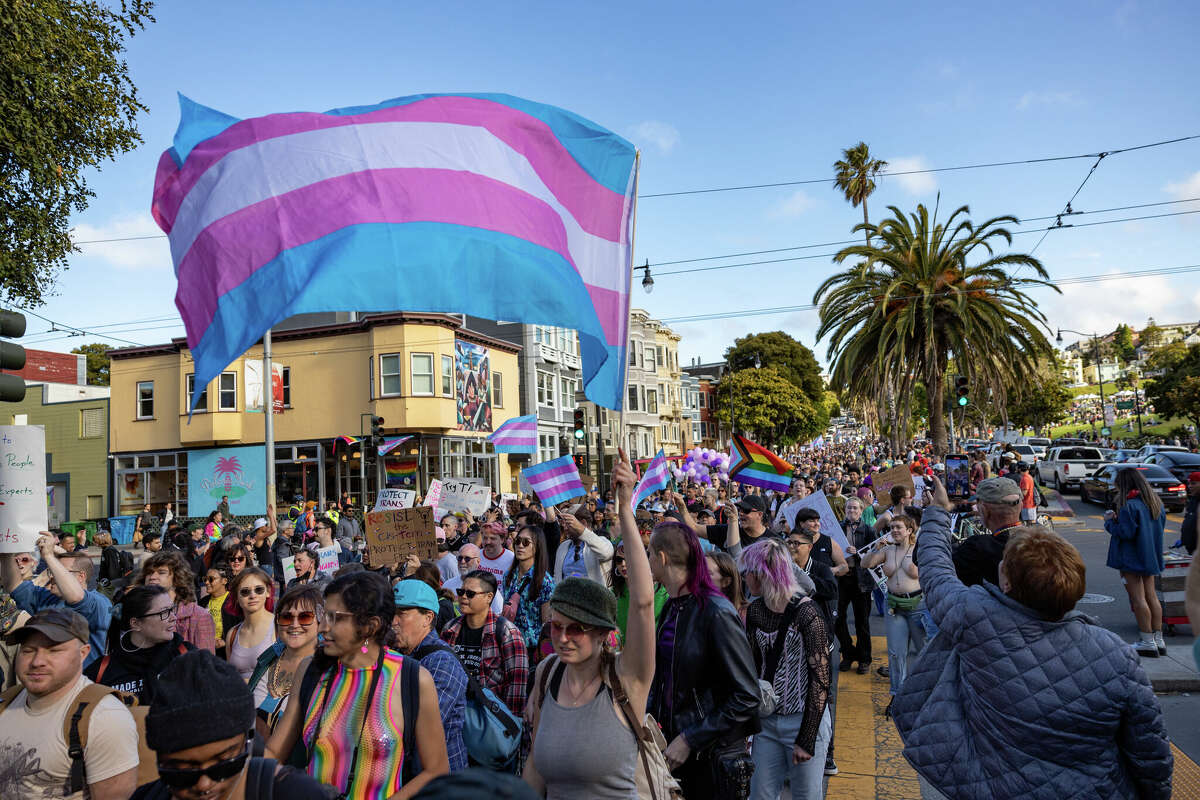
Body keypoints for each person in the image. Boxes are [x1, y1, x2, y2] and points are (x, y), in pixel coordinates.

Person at [895, 476, 1172, 800]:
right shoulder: (1116, 654)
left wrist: (937, 513)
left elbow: (936, 571)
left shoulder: (977, 621)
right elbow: (1151, 755)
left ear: (1008, 585)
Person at [524, 449, 657, 798]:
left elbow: (643, 603)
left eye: (576, 629)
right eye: (557, 627)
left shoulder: (627, 677)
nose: (563, 638)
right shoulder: (548, 673)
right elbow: (535, 771)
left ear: (602, 632)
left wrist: (625, 510)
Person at [266, 571, 450, 798]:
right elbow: (274, 751)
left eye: (335, 618)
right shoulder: (311, 670)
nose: (323, 627)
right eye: (324, 615)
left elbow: (436, 770)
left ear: (370, 627)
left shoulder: (412, 679)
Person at [648, 519, 760, 800]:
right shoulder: (673, 607)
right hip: (675, 756)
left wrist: (689, 738)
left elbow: (747, 695)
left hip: (711, 760)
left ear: (661, 558)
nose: (645, 560)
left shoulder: (716, 611)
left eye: (648, 553)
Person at [131, 649, 328, 800]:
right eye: (182, 771)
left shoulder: (298, 794)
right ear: (159, 760)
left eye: (224, 765)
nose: (204, 784)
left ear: (248, 743)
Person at [0, 608, 140, 799]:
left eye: (54, 650)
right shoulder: (6, 702)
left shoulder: (104, 718)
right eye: (28, 650)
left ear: (83, 654)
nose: (37, 661)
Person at [741, 539, 831, 800]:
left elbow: (821, 679)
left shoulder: (808, 613)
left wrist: (807, 737)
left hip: (803, 718)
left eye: (748, 571)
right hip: (768, 723)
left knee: (806, 795)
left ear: (764, 573)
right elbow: (754, 667)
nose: (745, 578)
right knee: (759, 794)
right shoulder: (756, 611)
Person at [391, 579, 468, 773]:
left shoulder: (442, 662)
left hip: (441, 783)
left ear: (427, 618)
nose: (393, 621)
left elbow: (416, 728)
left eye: (402, 613)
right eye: (391, 612)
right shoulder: (395, 651)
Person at [3, 533, 112, 667]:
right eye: (52, 571)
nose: (53, 577)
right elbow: (13, 585)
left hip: (85, 683)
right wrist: (7, 549)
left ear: (81, 576)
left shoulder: (98, 602)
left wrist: (49, 556)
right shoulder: (47, 597)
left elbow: (77, 597)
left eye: (60, 571)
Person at [864, 514, 931, 716]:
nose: (893, 531)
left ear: (909, 530)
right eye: (891, 527)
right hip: (894, 606)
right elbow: (865, 564)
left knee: (924, 654)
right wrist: (875, 549)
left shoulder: (920, 549)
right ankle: (898, 696)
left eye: (898, 527)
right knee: (895, 654)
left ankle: (924, 696)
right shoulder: (887, 550)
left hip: (919, 606)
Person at [84, 584, 193, 704]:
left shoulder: (187, 655)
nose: (173, 617)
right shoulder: (102, 670)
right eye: (164, 612)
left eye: (172, 609)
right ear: (135, 623)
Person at [440, 570, 528, 717]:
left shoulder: (508, 633)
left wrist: (508, 731)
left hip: (490, 722)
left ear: (489, 597)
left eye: (470, 594)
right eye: (461, 592)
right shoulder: (449, 629)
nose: (463, 597)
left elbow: (516, 689)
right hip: (455, 717)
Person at [1105, 466, 1168, 658]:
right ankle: (1158, 640)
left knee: (1138, 599)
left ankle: (1146, 641)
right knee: (1152, 597)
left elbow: (1125, 532)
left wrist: (1109, 521)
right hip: (1150, 555)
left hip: (1131, 557)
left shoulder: (1128, 505)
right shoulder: (1155, 503)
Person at [247, 583, 322, 736]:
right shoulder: (267, 659)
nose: (295, 625)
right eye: (286, 617)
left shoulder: (327, 670)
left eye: (305, 617)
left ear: (320, 623)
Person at [950, 476, 1024, 587]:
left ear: (984, 511)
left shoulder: (975, 548)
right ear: (1021, 506)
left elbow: (934, 570)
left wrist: (937, 510)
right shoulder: (1044, 542)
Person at [136, 551, 216, 653]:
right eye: (149, 572)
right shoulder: (137, 612)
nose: (152, 577)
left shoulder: (199, 617)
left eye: (161, 572)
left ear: (177, 578)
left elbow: (206, 664)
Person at [500, 524, 556, 653]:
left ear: (537, 547)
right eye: (518, 541)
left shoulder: (545, 582)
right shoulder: (508, 576)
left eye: (526, 542)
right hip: (507, 644)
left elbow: (546, 624)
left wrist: (544, 654)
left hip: (531, 650)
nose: (520, 545)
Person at [837, 497, 875, 675]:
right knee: (838, 619)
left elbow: (875, 553)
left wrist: (858, 552)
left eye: (855, 508)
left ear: (861, 511)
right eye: (849, 507)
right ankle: (848, 653)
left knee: (862, 622)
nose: (851, 510)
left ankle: (864, 659)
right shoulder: (837, 527)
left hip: (861, 579)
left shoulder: (867, 530)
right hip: (842, 578)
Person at [225, 568, 277, 681]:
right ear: (237, 597)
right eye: (245, 591)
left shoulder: (279, 627)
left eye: (259, 590)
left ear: (268, 592)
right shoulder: (232, 634)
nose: (253, 595)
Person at [615, 543, 670, 644]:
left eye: (628, 558)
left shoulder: (662, 592)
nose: (623, 564)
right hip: (624, 654)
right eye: (619, 560)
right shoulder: (614, 593)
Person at [552, 509, 615, 587]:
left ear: (583, 523)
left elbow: (606, 553)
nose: (565, 528)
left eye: (568, 524)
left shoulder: (601, 541)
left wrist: (582, 530)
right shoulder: (563, 546)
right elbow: (556, 578)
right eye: (563, 524)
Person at [444, 544, 503, 615]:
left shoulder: (488, 585)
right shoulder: (447, 585)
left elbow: (498, 612)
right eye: (460, 558)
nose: (462, 561)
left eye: (467, 559)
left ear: (478, 561)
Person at [201, 565, 232, 653]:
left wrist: (225, 641)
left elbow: (241, 628)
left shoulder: (234, 602)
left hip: (225, 653)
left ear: (224, 581)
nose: (206, 582)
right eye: (205, 579)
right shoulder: (203, 602)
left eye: (211, 579)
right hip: (206, 650)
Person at [1181, 470, 1200, 555]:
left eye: (1193, 483)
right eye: (1189, 484)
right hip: (1192, 548)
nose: (1189, 486)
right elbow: (1189, 522)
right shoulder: (1193, 500)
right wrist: (1184, 540)